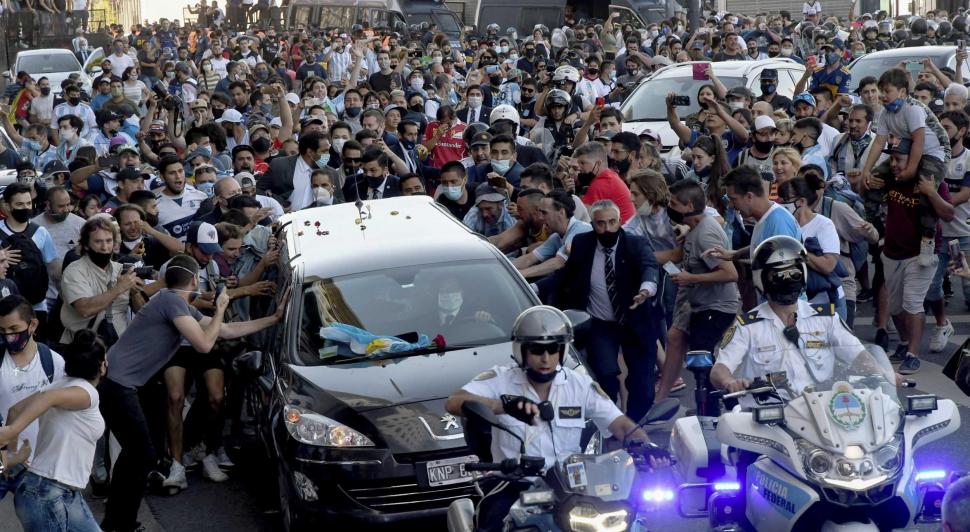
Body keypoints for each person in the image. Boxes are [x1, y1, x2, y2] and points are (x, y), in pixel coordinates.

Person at [97, 254, 286, 532]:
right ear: (195, 279)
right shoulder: (170, 300)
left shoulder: (175, 303)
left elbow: (223, 330)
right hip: (116, 384)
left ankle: (118, 521)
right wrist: (221, 306)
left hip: (122, 384)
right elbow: (204, 345)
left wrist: (274, 318)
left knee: (137, 454)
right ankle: (120, 523)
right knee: (142, 454)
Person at [444, 305, 663, 532]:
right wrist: (502, 407)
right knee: (495, 519)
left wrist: (646, 446)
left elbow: (620, 424)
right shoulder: (500, 380)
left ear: (563, 350)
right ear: (522, 351)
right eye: (537, 350)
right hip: (519, 485)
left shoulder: (580, 385)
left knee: (631, 520)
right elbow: (454, 401)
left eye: (553, 349)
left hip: (574, 488)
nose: (546, 358)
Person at [711, 236, 891, 397]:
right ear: (762, 278)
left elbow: (858, 354)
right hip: (770, 417)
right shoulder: (747, 326)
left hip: (821, 411)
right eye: (779, 274)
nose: (787, 278)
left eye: (793, 273)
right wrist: (730, 382)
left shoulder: (826, 318)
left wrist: (883, 374)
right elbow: (720, 369)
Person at [540, 200, 659, 422]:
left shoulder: (634, 244)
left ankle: (634, 425)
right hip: (601, 323)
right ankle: (610, 421)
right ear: (592, 224)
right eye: (601, 224)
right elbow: (565, 274)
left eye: (612, 222)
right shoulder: (583, 243)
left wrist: (645, 290)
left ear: (619, 221)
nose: (607, 229)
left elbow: (649, 267)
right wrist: (535, 287)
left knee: (642, 383)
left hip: (635, 320)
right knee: (605, 376)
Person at [0, 330, 106, 532]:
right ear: (102, 365)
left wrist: (11, 455)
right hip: (48, 494)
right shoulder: (87, 393)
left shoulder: (58, 386)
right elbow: (49, 399)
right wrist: (13, 431)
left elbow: (14, 410)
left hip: (57, 492)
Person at [0, 295, 65, 500]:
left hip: (36, 467)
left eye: (13, 329)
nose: (8, 336)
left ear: (32, 325)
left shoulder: (53, 362)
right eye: (2, 331)